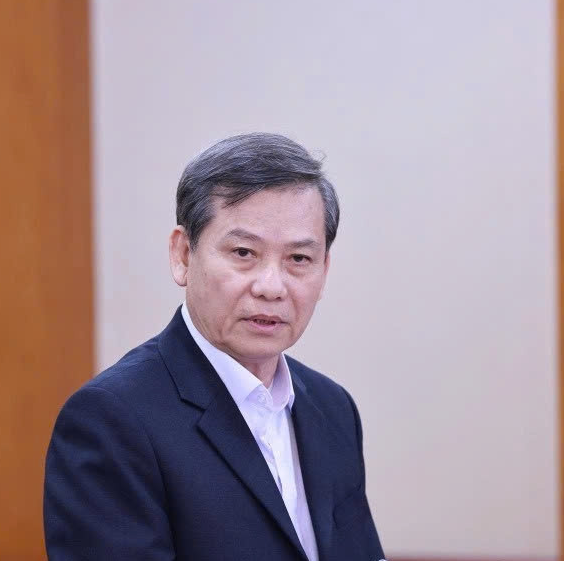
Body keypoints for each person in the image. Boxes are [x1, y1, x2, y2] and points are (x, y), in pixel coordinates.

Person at [44, 133, 384, 560]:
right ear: (183, 255)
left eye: (299, 259)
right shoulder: (112, 420)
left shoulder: (332, 409)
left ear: (324, 269)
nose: (271, 287)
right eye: (244, 252)